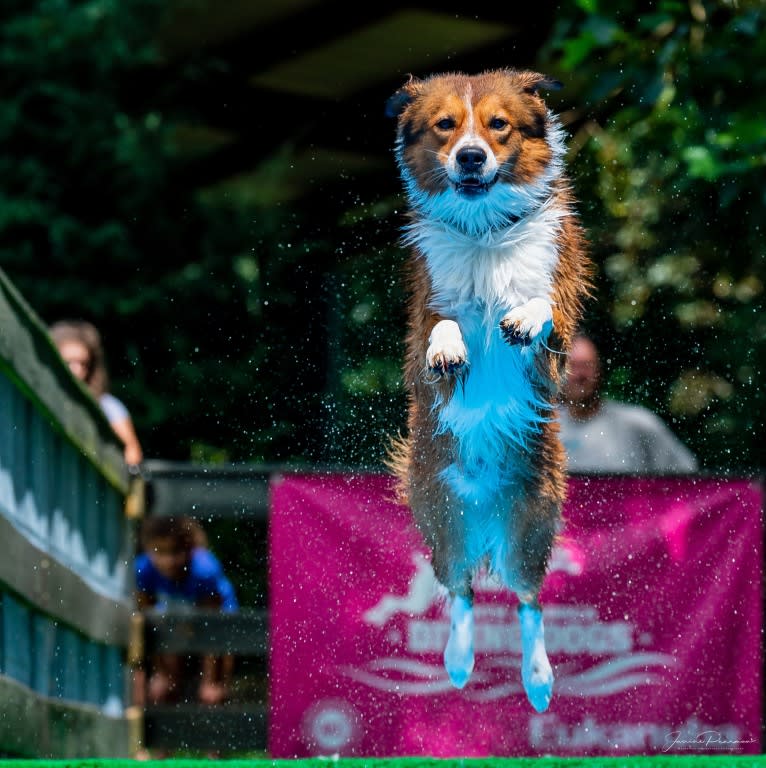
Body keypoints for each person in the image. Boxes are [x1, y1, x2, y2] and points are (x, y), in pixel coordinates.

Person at [134, 515, 238, 707]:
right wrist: (161, 672)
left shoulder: (205, 570)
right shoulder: (144, 569)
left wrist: (210, 681)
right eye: (161, 553)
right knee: (167, 684)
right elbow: (148, 623)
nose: (169, 561)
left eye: (176, 552)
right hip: (172, 616)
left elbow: (212, 630)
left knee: (213, 691)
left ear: (191, 550)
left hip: (216, 614)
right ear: (149, 550)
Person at [558, 332, 699, 474]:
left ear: (600, 371)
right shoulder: (544, 430)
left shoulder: (637, 424)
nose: (579, 375)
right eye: (572, 366)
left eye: (586, 366)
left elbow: (687, 479)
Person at [49, 319, 143, 466]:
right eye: (69, 362)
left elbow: (132, 454)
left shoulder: (108, 406)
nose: (77, 370)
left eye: (83, 363)